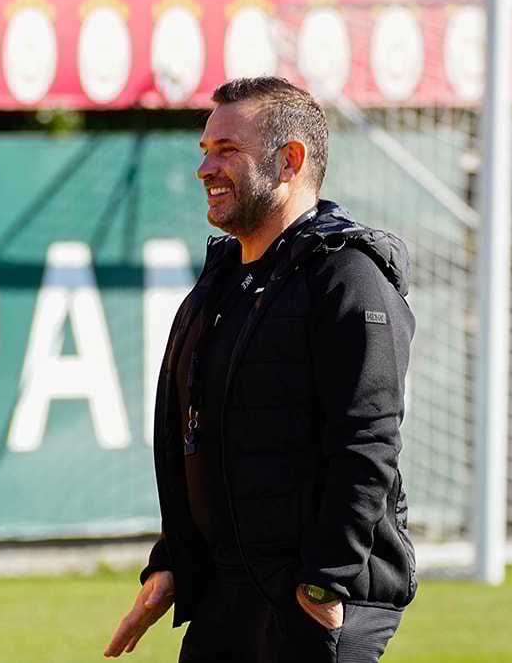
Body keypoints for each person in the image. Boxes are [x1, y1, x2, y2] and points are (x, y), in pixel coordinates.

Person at [104, 76, 417, 662]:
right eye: (205, 150)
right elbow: (204, 441)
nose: (205, 168)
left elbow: (367, 442)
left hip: (312, 600)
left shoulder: (348, 278)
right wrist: (174, 560)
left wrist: (325, 582)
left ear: (289, 160)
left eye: (227, 150)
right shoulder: (221, 283)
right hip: (226, 594)